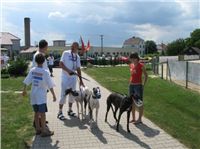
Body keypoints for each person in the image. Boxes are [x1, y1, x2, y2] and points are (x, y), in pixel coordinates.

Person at [22, 53, 57, 137]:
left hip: (33, 95)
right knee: (42, 113)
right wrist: (54, 95)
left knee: (36, 112)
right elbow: (50, 85)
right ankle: (44, 131)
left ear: (36, 61)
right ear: (44, 61)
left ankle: (38, 129)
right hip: (41, 96)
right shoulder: (45, 72)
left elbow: (26, 81)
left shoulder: (33, 70)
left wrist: (24, 90)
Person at [57, 42, 84, 120]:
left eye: (74, 47)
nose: (72, 48)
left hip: (73, 78)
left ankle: (70, 110)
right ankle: (60, 112)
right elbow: (60, 64)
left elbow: (78, 68)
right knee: (63, 94)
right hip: (65, 77)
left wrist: (81, 80)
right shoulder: (65, 53)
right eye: (72, 46)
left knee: (72, 94)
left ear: (77, 48)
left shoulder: (77, 57)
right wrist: (68, 71)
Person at [129, 52, 148, 124]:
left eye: (133, 59)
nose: (132, 60)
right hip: (131, 85)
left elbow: (146, 75)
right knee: (132, 102)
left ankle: (139, 119)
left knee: (139, 102)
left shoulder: (141, 65)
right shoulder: (131, 65)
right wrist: (130, 83)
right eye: (131, 59)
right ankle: (133, 118)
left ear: (136, 58)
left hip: (138, 86)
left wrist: (143, 84)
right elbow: (132, 75)